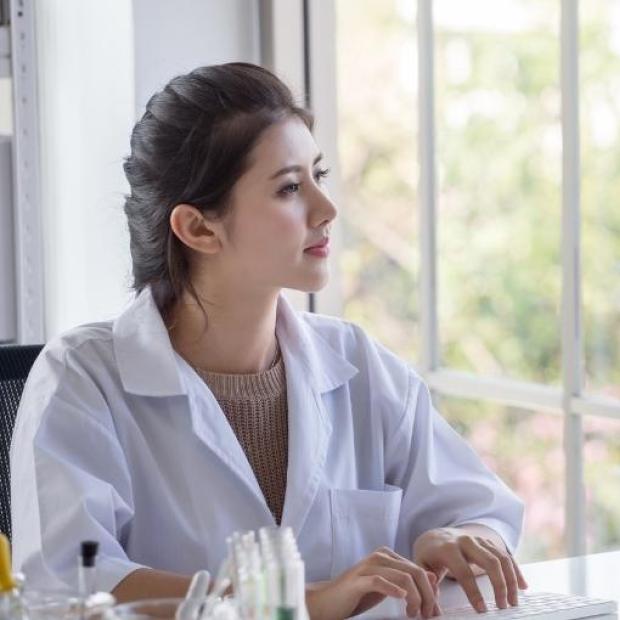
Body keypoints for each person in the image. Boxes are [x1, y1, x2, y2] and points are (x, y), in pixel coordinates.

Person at [11, 62, 527, 619]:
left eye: (318, 177)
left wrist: (457, 538)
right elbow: (67, 588)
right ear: (199, 228)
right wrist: (293, 604)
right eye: (288, 188)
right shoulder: (81, 380)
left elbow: (485, 511)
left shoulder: (358, 362)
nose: (326, 210)